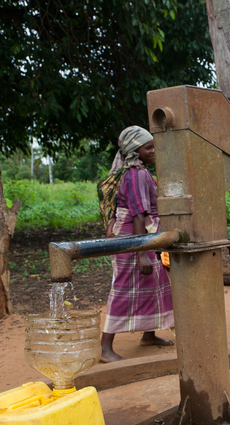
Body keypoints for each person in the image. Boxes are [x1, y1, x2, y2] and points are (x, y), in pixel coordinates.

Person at [100, 125, 175, 363]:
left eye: (154, 146)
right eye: (148, 147)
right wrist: (142, 252)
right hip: (133, 237)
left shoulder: (133, 171)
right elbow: (138, 214)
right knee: (123, 289)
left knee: (152, 284)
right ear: (135, 150)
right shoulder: (136, 173)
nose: (154, 151)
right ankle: (105, 348)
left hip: (138, 235)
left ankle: (149, 335)